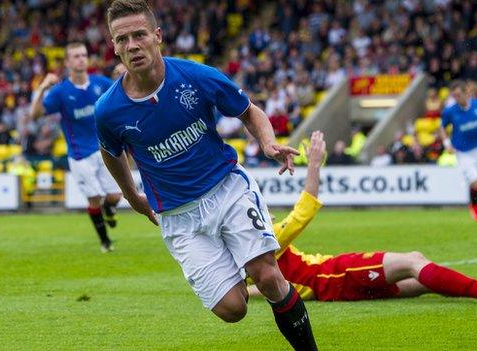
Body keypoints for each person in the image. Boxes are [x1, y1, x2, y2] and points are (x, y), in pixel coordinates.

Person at [95, 1, 317, 350]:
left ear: (158, 37)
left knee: (270, 277)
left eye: (139, 35)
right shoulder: (108, 110)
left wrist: (268, 142)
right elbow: (111, 153)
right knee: (233, 310)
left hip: (227, 190)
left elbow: (248, 111)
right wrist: (131, 195)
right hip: (178, 216)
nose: (132, 45)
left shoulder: (195, 77)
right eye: (122, 39)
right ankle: (237, 261)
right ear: (114, 46)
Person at [248, 131, 477, 303]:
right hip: (335, 275)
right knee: (414, 259)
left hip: (332, 285)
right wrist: (314, 164)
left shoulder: (247, 257)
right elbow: (304, 211)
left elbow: (253, 285)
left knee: (420, 280)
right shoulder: (262, 240)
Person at [29, 42, 121, 253]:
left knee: (115, 196)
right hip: (80, 154)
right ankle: (105, 242)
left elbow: (125, 93)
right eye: (76, 56)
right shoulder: (61, 91)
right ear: (68, 62)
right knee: (94, 198)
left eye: (84, 55)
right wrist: (43, 87)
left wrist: (123, 75)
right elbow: (34, 115)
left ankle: (109, 210)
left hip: (104, 149)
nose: (81, 59)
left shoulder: (100, 83)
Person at [439, 80, 477, 225]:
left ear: (466, 93)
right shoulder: (450, 111)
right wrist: (447, 143)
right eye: (454, 96)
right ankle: (474, 207)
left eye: (459, 95)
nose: (457, 98)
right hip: (463, 153)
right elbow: (441, 128)